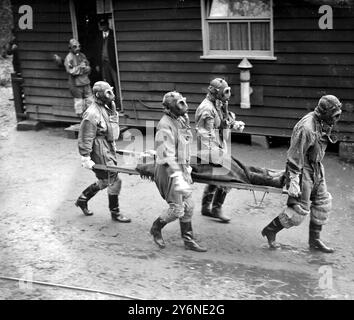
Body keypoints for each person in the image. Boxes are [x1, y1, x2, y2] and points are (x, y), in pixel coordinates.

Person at [261, 95, 342, 253]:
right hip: (302, 169)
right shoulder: (307, 128)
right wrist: (293, 181)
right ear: (324, 112)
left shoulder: (323, 122)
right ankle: (270, 230)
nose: (337, 118)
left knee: (323, 202)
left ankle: (315, 240)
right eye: (335, 114)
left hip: (316, 167)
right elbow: (294, 155)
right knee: (298, 212)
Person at [150, 91, 207, 252]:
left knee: (189, 206)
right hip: (169, 172)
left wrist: (186, 167)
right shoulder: (164, 125)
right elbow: (166, 155)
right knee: (176, 209)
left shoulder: (180, 120)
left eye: (184, 102)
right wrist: (178, 177)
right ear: (169, 108)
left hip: (181, 169)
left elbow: (184, 144)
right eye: (180, 103)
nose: (185, 106)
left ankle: (188, 240)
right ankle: (156, 228)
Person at [75, 81, 131, 223]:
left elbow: (113, 133)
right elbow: (85, 136)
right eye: (107, 93)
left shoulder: (104, 108)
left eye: (111, 91)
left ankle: (83, 199)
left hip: (106, 146)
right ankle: (115, 213)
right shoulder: (92, 113)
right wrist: (85, 157)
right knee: (114, 180)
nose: (111, 95)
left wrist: (113, 113)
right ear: (99, 95)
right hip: (99, 149)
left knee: (105, 180)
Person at [195, 78, 245, 223]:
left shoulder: (219, 104)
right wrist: (218, 155)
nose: (227, 94)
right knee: (226, 174)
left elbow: (223, 121)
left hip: (219, 145)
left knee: (215, 176)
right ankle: (216, 209)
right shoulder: (206, 108)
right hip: (209, 149)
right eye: (225, 91)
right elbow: (205, 135)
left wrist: (234, 124)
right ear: (216, 92)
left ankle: (206, 208)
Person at [64, 39, 94, 117]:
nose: (77, 48)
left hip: (85, 81)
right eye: (75, 47)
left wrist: (87, 68)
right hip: (76, 84)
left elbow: (88, 66)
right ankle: (82, 120)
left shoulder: (82, 55)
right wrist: (80, 68)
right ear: (70, 48)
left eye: (79, 46)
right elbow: (71, 71)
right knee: (79, 103)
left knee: (90, 100)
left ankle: (91, 118)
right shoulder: (69, 58)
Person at [95, 17, 120, 109]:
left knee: (116, 84)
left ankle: (118, 104)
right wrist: (98, 64)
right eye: (101, 25)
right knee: (106, 85)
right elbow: (97, 51)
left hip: (112, 63)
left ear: (107, 25)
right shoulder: (98, 36)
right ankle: (109, 105)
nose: (102, 27)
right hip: (103, 64)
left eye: (104, 25)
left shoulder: (113, 34)